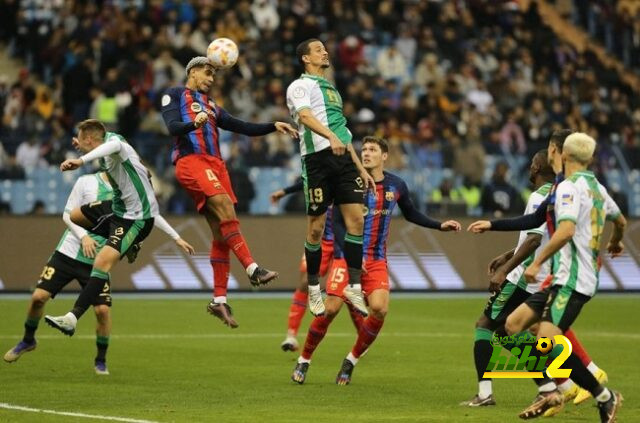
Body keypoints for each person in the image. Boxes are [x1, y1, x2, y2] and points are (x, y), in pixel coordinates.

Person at [469, 132, 626, 421]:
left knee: (545, 338)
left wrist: (535, 262)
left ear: (559, 152)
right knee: (511, 327)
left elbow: (564, 232)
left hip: (573, 280)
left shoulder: (568, 188)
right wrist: (616, 240)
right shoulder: (587, 187)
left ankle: (599, 394)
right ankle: (553, 389)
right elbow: (619, 220)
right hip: (558, 278)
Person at [290, 136, 461, 385]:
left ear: (384, 156)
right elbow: (336, 221)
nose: (366, 153)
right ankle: (304, 360)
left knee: (380, 309)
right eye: (364, 149)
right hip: (347, 260)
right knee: (329, 310)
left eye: (372, 149)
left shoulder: (396, 185)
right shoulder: (348, 182)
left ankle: (350, 361)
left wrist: (439, 225)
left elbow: (411, 214)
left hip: (376, 260)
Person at [3, 172, 194, 374]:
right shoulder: (86, 182)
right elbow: (68, 215)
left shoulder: (128, 192)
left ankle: (100, 361)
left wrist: (175, 237)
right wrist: (84, 237)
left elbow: (150, 214)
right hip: (68, 252)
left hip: (98, 260)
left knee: (102, 311)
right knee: (38, 298)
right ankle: (28, 340)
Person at [161, 56, 298, 328]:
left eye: (214, 75)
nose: (211, 79)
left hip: (216, 165)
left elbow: (242, 126)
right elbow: (172, 127)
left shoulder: (211, 105)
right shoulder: (175, 94)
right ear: (192, 71)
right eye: (207, 73)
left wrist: (273, 126)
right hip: (192, 161)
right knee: (224, 207)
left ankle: (219, 300)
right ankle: (252, 269)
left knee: (221, 231)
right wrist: (194, 124)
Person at [43, 119, 161, 336]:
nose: (78, 144)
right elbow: (106, 151)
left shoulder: (115, 142)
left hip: (136, 218)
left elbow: (113, 147)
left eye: (81, 140)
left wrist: (81, 159)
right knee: (75, 215)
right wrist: (84, 148)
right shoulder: (103, 151)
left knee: (101, 263)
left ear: (89, 139)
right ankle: (128, 244)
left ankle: (72, 317)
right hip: (118, 210)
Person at [286, 39, 376, 317]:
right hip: (317, 161)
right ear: (305, 58)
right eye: (318, 49)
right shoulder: (299, 86)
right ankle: (314, 286)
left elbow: (340, 128)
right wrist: (330, 136)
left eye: (325, 48)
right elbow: (304, 117)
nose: (325, 51)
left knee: (357, 220)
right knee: (316, 228)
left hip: (344, 159)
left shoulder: (332, 89)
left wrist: (359, 166)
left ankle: (354, 286)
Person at [461, 150, 556, 407]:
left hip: (524, 277)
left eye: (532, 164)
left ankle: (484, 395)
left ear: (536, 167)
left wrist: (505, 270)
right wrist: (506, 255)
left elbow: (535, 239)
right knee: (506, 332)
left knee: (484, 325)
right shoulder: (556, 194)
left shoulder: (540, 195)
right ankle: (549, 386)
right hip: (543, 275)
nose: (529, 168)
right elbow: (537, 236)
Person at [271, 183, 362, 352]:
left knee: (343, 292)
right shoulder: (321, 172)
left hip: (342, 242)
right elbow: (307, 181)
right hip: (320, 241)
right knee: (305, 282)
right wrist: (284, 191)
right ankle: (291, 336)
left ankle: (363, 337)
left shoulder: (346, 178)